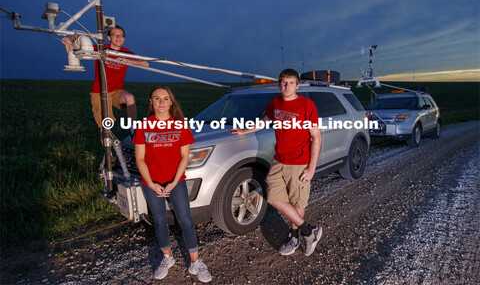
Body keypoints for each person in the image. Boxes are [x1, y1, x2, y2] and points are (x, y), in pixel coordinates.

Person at [231, 68, 322, 256]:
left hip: (299, 162)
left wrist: (311, 168)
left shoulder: (307, 105)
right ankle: (308, 230)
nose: (286, 86)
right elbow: (265, 120)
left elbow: (316, 137)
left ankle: (293, 236)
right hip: (278, 160)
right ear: (279, 84)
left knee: (297, 201)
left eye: (290, 82)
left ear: (297, 85)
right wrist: (245, 131)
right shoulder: (276, 102)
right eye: (283, 82)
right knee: (274, 198)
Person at [133, 85, 212, 282]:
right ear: (151, 102)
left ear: (171, 102)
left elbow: (185, 157)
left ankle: (195, 261)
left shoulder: (180, 125)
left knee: (185, 220)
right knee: (159, 221)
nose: (161, 102)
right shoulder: (143, 126)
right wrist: (151, 184)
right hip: (151, 182)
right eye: (157, 98)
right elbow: (140, 159)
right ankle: (167, 257)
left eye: (165, 99)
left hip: (176, 181)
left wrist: (174, 182)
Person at [62, 25, 148, 134]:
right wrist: (68, 43)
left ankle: (133, 132)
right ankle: (107, 151)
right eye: (115, 35)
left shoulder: (126, 52)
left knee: (130, 98)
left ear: (124, 38)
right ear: (109, 37)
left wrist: (130, 61)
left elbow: (145, 63)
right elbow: (74, 52)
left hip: (116, 91)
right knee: (105, 127)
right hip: (100, 92)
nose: (118, 38)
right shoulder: (101, 48)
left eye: (121, 35)